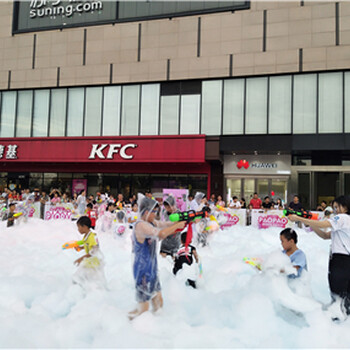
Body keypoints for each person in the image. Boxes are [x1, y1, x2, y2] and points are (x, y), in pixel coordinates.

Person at [288, 195, 350, 318]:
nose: (335, 209)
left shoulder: (342, 217)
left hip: (340, 260)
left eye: (337, 206)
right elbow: (325, 235)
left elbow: (323, 224)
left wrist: (299, 218)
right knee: (345, 294)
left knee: (337, 291)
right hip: (345, 260)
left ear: (345, 206)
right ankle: (344, 318)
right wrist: (313, 224)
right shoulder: (346, 221)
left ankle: (337, 319)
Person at [128, 196, 186, 320]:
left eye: (156, 211)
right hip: (142, 267)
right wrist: (177, 226)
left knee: (158, 301)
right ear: (145, 212)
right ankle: (131, 323)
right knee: (143, 309)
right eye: (153, 211)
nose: (155, 214)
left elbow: (165, 225)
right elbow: (161, 234)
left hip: (152, 265)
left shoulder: (152, 222)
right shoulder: (141, 225)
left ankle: (159, 325)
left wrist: (183, 221)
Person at [72, 216, 106, 288]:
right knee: (89, 277)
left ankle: (80, 288)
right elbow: (87, 245)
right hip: (91, 260)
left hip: (94, 261)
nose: (78, 229)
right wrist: (80, 248)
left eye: (79, 227)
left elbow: (94, 250)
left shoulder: (92, 237)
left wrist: (81, 258)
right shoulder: (87, 236)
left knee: (80, 275)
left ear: (84, 227)